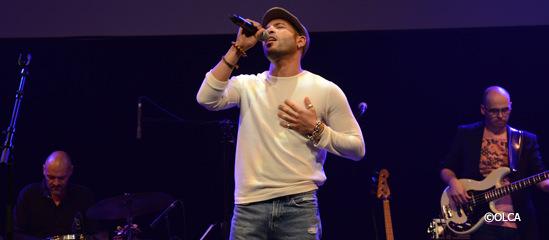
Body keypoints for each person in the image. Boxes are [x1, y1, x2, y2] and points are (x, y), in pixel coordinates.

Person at [196, 7, 365, 240]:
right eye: (269, 27)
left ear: (300, 41)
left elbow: (357, 148)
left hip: (299, 206)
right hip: (249, 208)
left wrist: (316, 129)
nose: (270, 29)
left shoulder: (325, 89)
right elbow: (206, 98)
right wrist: (238, 49)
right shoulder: (248, 85)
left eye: (280, 26)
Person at [440, 86, 549, 240]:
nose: (500, 116)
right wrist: (453, 182)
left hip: (518, 221)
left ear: (511, 106)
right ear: (483, 109)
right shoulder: (467, 134)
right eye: (494, 111)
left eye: (505, 110)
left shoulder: (525, 140)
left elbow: (539, 174)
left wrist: (546, 185)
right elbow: (446, 167)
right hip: (481, 220)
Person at [13, 151, 99, 240]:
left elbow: (93, 235)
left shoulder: (83, 195)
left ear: (71, 171)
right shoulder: (29, 194)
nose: (56, 183)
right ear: (43, 170)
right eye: (51, 177)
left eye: (62, 178)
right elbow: (15, 234)